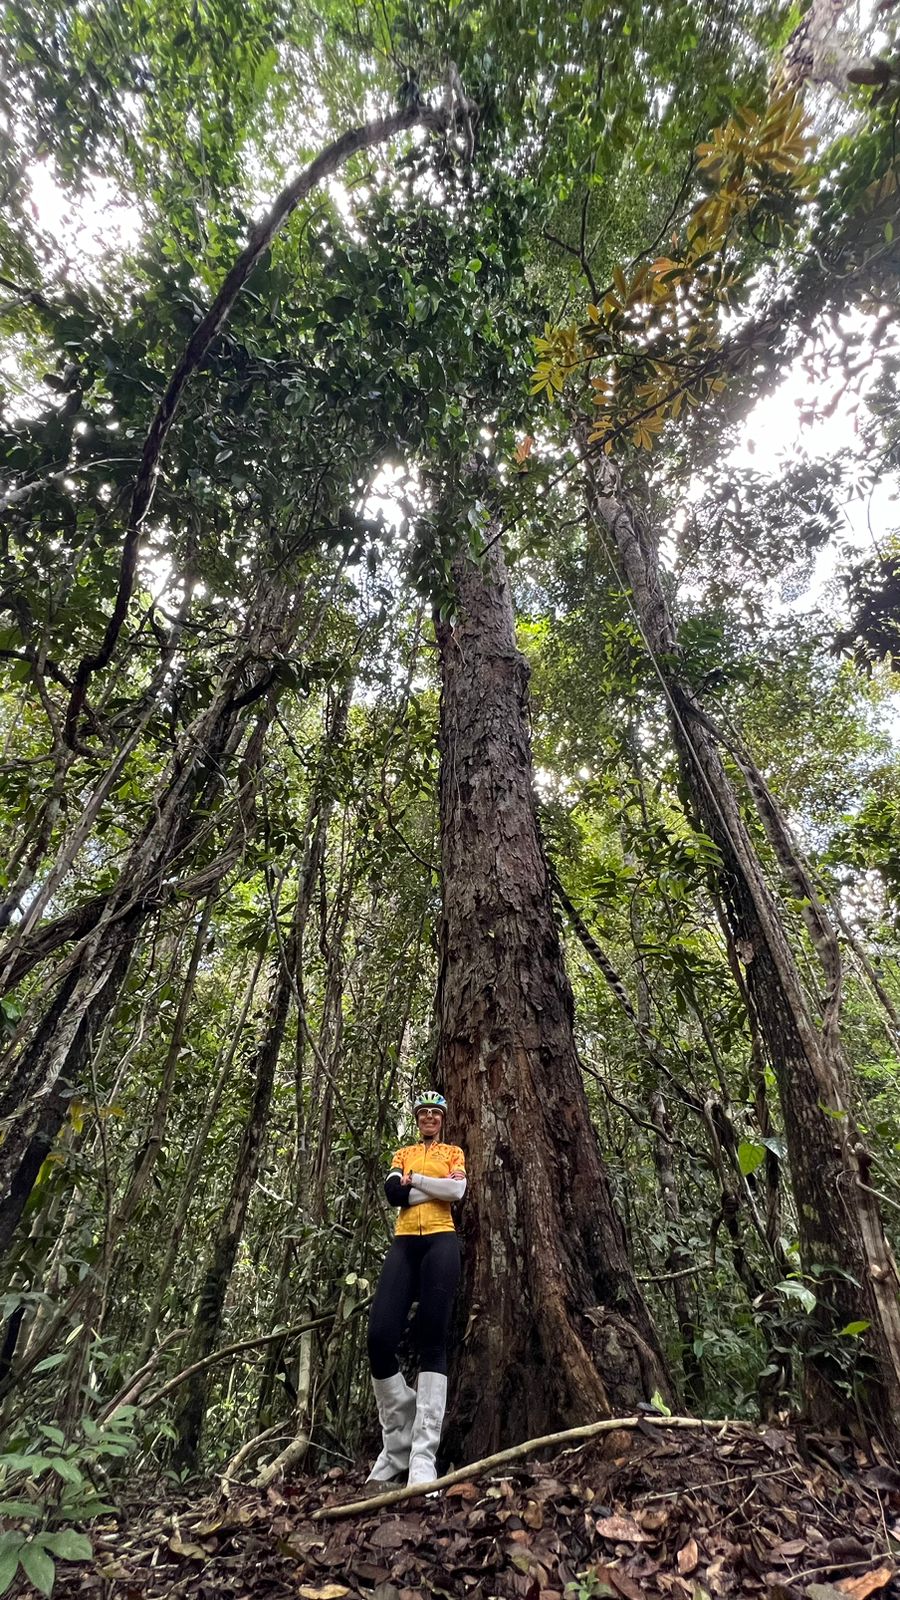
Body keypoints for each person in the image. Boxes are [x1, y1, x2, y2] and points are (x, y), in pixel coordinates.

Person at [365, 1090, 466, 1489]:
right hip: (405, 1242)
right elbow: (393, 1194)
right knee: (379, 1337)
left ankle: (423, 1457)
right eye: (423, 1113)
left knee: (432, 1338)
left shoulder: (453, 1153)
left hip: (442, 1239)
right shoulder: (403, 1152)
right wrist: (431, 1187)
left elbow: (456, 1193)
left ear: (442, 1119)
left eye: (434, 1113)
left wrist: (418, 1184)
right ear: (417, 1119)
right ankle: (397, 1443)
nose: (428, 1118)